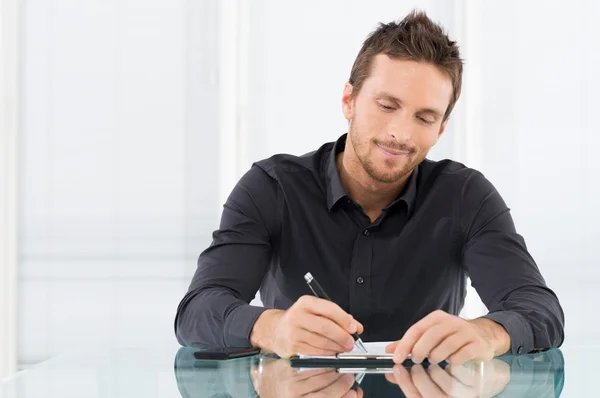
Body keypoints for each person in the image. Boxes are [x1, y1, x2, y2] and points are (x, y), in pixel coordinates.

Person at [174, 10, 564, 366]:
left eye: (424, 117)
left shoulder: (466, 196)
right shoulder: (272, 188)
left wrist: (486, 333)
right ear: (349, 100)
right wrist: (271, 328)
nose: (400, 133)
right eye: (387, 105)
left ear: (441, 128)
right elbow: (197, 311)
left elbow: (539, 310)